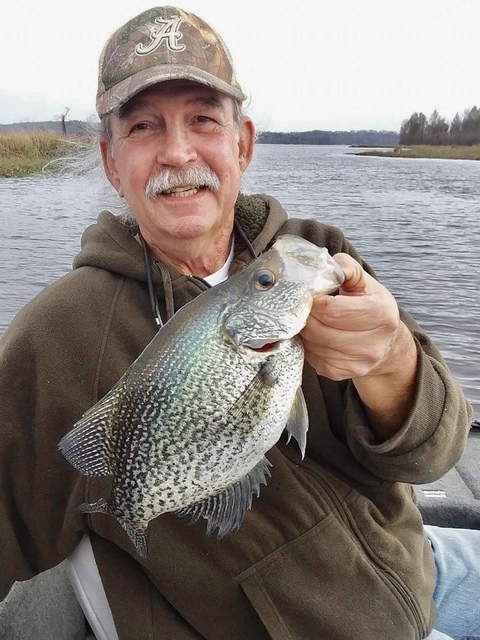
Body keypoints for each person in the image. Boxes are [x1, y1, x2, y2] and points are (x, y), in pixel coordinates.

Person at [0, 6, 478, 640]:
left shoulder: (315, 256)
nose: (177, 152)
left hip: (417, 565)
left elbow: (433, 454)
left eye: (203, 119)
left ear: (242, 143)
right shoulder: (60, 334)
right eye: (144, 127)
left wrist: (391, 359)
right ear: (113, 163)